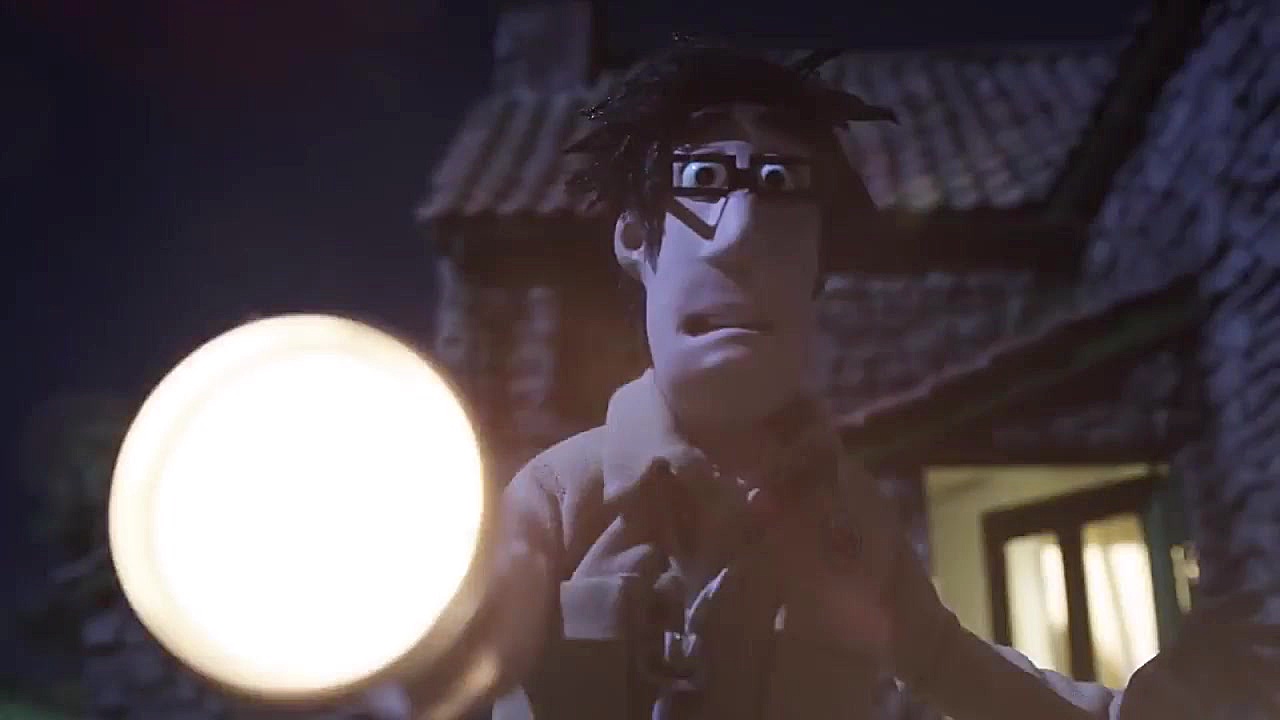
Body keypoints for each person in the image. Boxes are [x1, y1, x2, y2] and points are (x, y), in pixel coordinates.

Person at [380, 40, 1158, 720]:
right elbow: (450, 643)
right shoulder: (557, 500)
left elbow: (957, 666)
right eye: (702, 180)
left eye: (780, 186)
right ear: (636, 239)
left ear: (819, 263)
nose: (740, 236)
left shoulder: (850, 523)